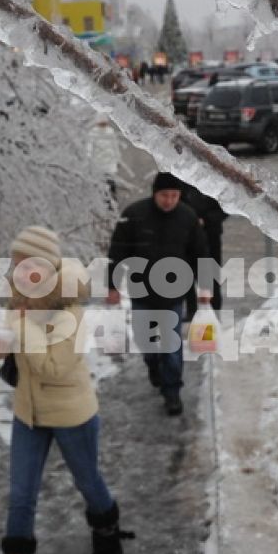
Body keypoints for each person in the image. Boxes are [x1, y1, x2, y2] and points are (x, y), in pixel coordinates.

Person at [0, 226, 127, 554]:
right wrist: (0, 345)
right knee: (20, 496)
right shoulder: (19, 305)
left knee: (88, 480)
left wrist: (18, 329)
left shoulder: (71, 312)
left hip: (71, 414)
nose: (14, 272)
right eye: (13, 264)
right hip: (28, 412)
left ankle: (108, 537)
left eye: (22, 264)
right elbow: (15, 346)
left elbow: (53, 369)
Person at [106, 172, 211, 417]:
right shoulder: (134, 215)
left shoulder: (187, 217)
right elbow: (117, 251)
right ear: (155, 193)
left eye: (174, 196)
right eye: (164, 195)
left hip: (174, 293)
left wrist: (205, 287)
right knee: (146, 341)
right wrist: (112, 285)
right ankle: (153, 365)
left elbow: (201, 253)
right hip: (141, 291)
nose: (169, 201)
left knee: (171, 344)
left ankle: (172, 390)